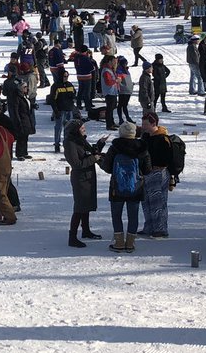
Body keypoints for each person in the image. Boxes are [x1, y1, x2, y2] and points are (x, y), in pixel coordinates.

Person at [99, 121, 150, 253]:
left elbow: (107, 168)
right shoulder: (142, 148)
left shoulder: (115, 148)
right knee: (133, 216)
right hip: (136, 188)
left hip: (117, 188)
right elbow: (147, 169)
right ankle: (130, 243)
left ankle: (119, 242)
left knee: (116, 215)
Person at [64, 119, 107, 247]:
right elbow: (77, 164)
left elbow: (90, 152)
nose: (84, 129)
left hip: (88, 176)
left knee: (86, 205)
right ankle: (72, 237)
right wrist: (94, 159)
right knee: (79, 207)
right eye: (82, 128)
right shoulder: (70, 143)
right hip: (80, 178)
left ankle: (86, 230)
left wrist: (100, 144)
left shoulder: (80, 140)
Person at [138, 111, 173, 239]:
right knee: (146, 201)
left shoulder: (162, 138)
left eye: (145, 124)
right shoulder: (146, 136)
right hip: (146, 173)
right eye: (142, 124)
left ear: (154, 124)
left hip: (158, 173)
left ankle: (160, 229)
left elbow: (166, 159)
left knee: (158, 202)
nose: (143, 126)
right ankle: (149, 227)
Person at [50, 73, 77, 153]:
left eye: (67, 76)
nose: (66, 78)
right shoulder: (56, 86)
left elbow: (74, 94)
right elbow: (52, 99)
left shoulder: (70, 85)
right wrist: (55, 111)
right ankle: (57, 144)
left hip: (69, 110)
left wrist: (73, 99)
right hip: (60, 110)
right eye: (64, 76)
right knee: (58, 128)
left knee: (69, 129)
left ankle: (67, 145)